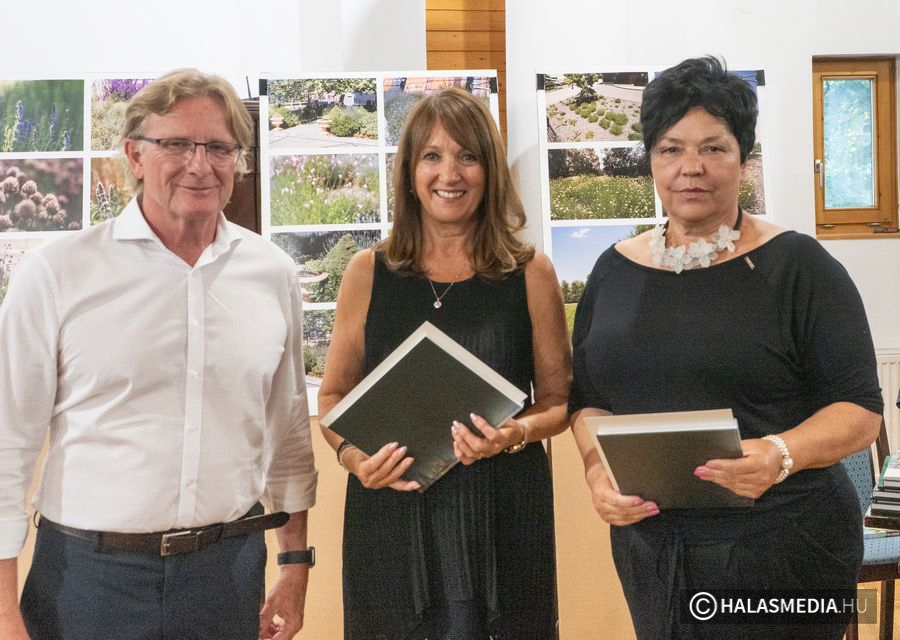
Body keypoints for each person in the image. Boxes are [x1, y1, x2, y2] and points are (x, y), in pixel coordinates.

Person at [568, 56, 884, 640]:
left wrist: (781, 453)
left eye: (713, 148)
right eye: (671, 149)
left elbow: (860, 411)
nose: (691, 168)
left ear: (743, 157)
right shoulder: (613, 270)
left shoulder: (799, 266)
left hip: (784, 544)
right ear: (650, 159)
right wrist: (595, 469)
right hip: (655, 550)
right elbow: (589, 400)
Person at [0, 69, 317, 640]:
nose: (200, 165)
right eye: (176, 144)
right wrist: (3, 615)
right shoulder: (57, 274)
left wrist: (294, 567)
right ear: (135, 155)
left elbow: (289, 433)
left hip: (227, 578)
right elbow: (6, 448)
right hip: (88, 582)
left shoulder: (271, 274)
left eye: (219, 147)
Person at [318, 87, 571, 640]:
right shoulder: (367, 273)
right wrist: (353, 457)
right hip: (391, 520)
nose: (449, 174)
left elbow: (559, 403)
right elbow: (332, 397)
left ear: (490, 171)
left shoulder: (530, 273)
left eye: (467, 156)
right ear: (410, 172)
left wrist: (514, 434)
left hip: (502, 519)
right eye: (432, 156)